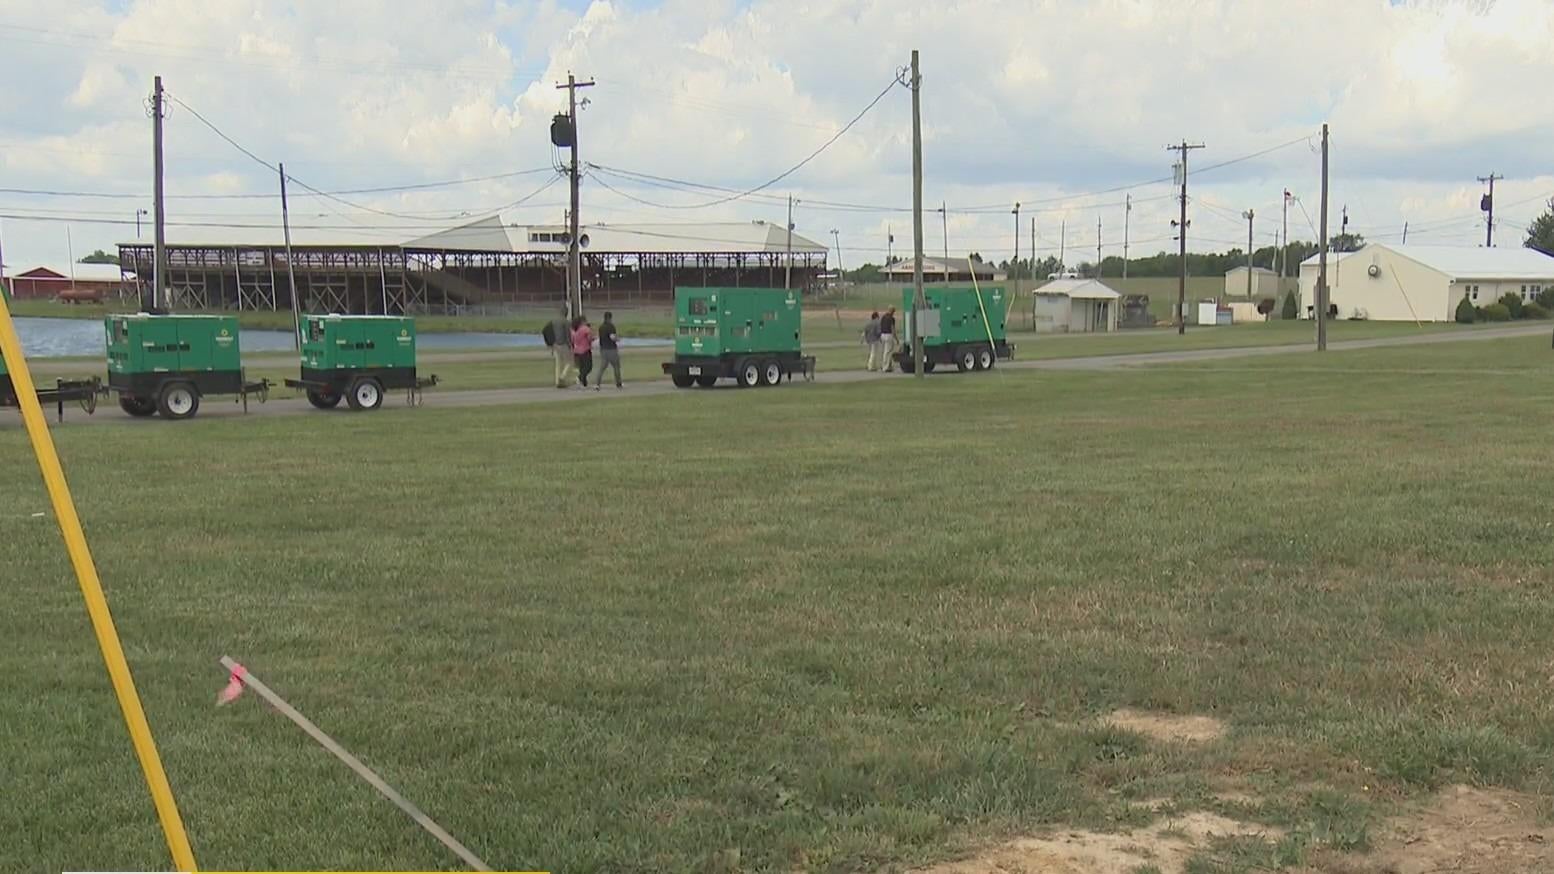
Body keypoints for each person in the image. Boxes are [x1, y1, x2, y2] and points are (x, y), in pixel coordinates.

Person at [544, 307, 574, 389]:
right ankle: (562, 377)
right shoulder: (566, 322)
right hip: (563, 344)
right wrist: (570, 345)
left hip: (555, 344)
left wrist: (550, 343)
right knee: (569, 362)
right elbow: (568, 335)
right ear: (566, 313)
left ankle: (557, 382)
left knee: (558, 363)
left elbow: (546, 330)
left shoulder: (553, 321)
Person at [595, 311, 624, 390]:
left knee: (602, 368)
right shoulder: (611, 327)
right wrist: (618, 339)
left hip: (603, 349)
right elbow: (612, 337)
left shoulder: (601, 327)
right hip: (611, 349)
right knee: (616, 367)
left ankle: (597, 384)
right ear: (610, 318)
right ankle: (618, 384)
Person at [570, 315, 595, 388]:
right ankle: (580, 378)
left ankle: (584, 383)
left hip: (577, 351)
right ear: (583, 321)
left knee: (582, 367)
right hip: (585, 350)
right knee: (588, 367)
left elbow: (572, 340)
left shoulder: (576, 330)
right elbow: (590, 338)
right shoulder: (585, 329)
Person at [878, 306, 898, 372]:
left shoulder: (883, 317)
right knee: (888, 352)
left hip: (882, 334)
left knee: (884, 351)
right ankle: (885, 367)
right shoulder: (891, 318)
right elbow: (893, 329)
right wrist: (896, 339)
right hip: (888, 335)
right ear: (892, 311)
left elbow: (880, 326)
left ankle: (886, 366)